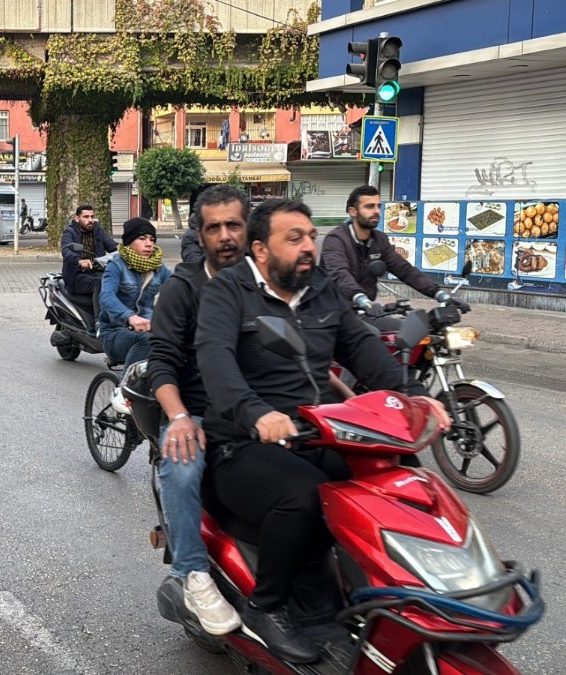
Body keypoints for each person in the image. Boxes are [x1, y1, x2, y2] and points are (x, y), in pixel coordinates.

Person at [195, 199, 448, 663]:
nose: (308, 246)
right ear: (261, 249)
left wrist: (414, 396)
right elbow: (215, 361)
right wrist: (255, 414)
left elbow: (362, 347)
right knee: (306, 494)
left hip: (316, 432)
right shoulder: (228, 292)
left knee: (397, 476)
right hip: (242, 442)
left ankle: (389, 585)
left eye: (310, 236)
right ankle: (265, 606)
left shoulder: (321, 290)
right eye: (294, 239)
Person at [147, 185, 248, 636]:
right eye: (215, 227)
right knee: (182, 466)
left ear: (249, 230)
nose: (226, 235)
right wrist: (181, 418)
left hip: (258, 410)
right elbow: (161, 362)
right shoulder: (183, 288)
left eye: (234, 225)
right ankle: (190, 573)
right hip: (199, 411)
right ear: (200, 234)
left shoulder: (263, 280)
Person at [320, 185, 442, 327]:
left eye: (378, 206)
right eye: (370, 207)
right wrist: (361, 299)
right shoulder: (336, 240)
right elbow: (339, 274)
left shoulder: (379, 240)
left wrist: (438, 293)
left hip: (363, 312)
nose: (377, 211)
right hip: (331, 315)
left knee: (415, 333)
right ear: (353, 211)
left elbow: (404, 270)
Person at [98, 218, 171, 366]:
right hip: (115, 332)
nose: (149, 243)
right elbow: (106, 296)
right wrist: (130, 317)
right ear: (129, 242)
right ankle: (126, 387)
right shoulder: (116, 265)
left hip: (149, 329)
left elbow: (178, 287)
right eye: (142, 239)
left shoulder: (159, 268)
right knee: (146, 340)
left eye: (152, 239)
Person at [60, 205, 117, 326]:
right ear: (77, 218)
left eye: (92, 216)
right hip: (77, 276)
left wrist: (127, 253)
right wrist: (80, 260)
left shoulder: (97, 230)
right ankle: (100, 324)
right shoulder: (70, 232)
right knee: (99, 284)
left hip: (97, 271)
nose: (90, 220)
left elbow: (112, 246)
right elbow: (66, 251)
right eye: (86, 217)